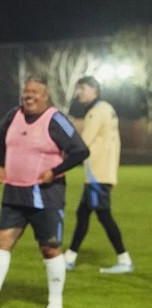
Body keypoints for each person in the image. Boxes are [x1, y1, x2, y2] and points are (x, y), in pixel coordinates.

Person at [0, 75, 89, 308]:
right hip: (14, 193)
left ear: (45, 96)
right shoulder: (14, 115)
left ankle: (55, 300)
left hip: (45, 196)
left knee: (50, 247)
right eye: (26, 92)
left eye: (34, 92)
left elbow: (80, 150)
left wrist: (55, 171)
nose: (29, 96)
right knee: (1, 241)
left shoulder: (55, 119)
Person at [64, 75, 134, 275]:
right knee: (83, 214)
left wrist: (62, 154)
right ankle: (69, 257)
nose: (79, 93)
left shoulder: (96, 112)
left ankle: (124, 259)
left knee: (103, 216)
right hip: (103, 171)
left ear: (94, 90)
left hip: (97, 173)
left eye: (82, 88)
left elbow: (83, 143)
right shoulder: (107, 108)